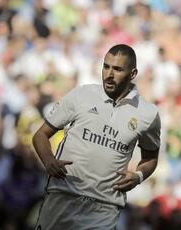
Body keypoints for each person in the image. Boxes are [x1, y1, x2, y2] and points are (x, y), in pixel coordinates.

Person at [32, 44, 161, 229]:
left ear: (133, 74)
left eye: (117, 69)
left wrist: (138, 176)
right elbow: (40, 136)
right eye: (106, 66)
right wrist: (49, 161)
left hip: (103, 210)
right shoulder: (81, 95)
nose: (109, 74)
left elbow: (151, 158)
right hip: (62, 197)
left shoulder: (148, 115)